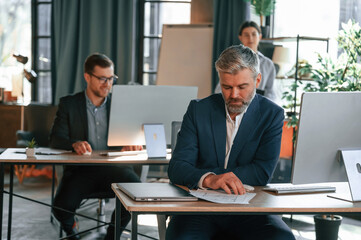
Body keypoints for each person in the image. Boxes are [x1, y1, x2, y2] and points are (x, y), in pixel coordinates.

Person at [167, 45, 295, 240]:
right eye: (227, 87)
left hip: (250, 209)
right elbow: (177, 167)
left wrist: (212, 175)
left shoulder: (272, 115)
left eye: (242, 87)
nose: (234, 95)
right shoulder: (198, 110)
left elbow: (261, 172)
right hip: (199, 209)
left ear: (257, 80)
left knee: (282, 238)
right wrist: (210, 179)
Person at [50, 53, 141, 240]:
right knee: (60, 208)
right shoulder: (69, 104)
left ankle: (111, 236)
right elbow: (55, 139)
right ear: (87, 77)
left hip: (115, 168)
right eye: (102, 79)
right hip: (81, 171)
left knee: (137, 194)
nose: (107, 84)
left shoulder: (120, 104)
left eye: (111, 79)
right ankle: (72, 232)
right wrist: (74, 144)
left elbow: (133, 133)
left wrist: (131, 142)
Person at [215, 21, 276, 100]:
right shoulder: (230, 60)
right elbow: (219, 90)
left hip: (259, 107)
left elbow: (271, 93)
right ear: (240, 37)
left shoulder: (268, 64)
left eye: (254, 34)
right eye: (246, 35)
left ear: (260, 36)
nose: (250, 38)